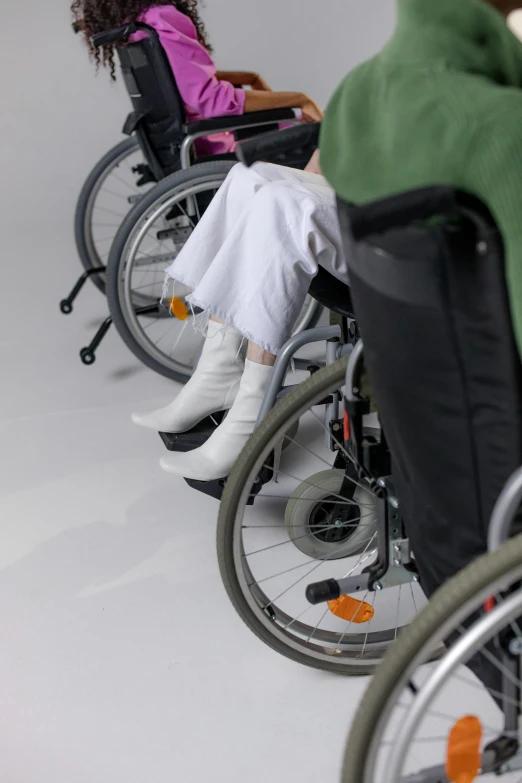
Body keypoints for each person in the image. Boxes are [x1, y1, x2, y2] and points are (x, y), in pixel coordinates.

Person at [72, 0, 323, 156]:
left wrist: (250, 77)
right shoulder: (162, 18)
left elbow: (179, 81)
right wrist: (299, 99)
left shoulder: (137, 22)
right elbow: (209, 100)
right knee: (319, 137)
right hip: (215, 142)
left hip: (191, 138)